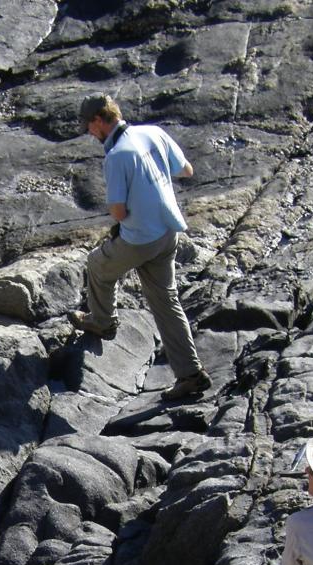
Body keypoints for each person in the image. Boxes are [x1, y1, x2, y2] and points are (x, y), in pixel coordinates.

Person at [69, 94, 212, 401]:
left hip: (139, 239)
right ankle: (190, 374)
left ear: (98, 120)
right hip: (167, 233)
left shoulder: (118, 155)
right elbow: (186, 170)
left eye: (89, 127)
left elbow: (119, 212)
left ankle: (102, 322)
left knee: (97, 265)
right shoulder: (153, 133)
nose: (90, 133)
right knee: (166, 300)